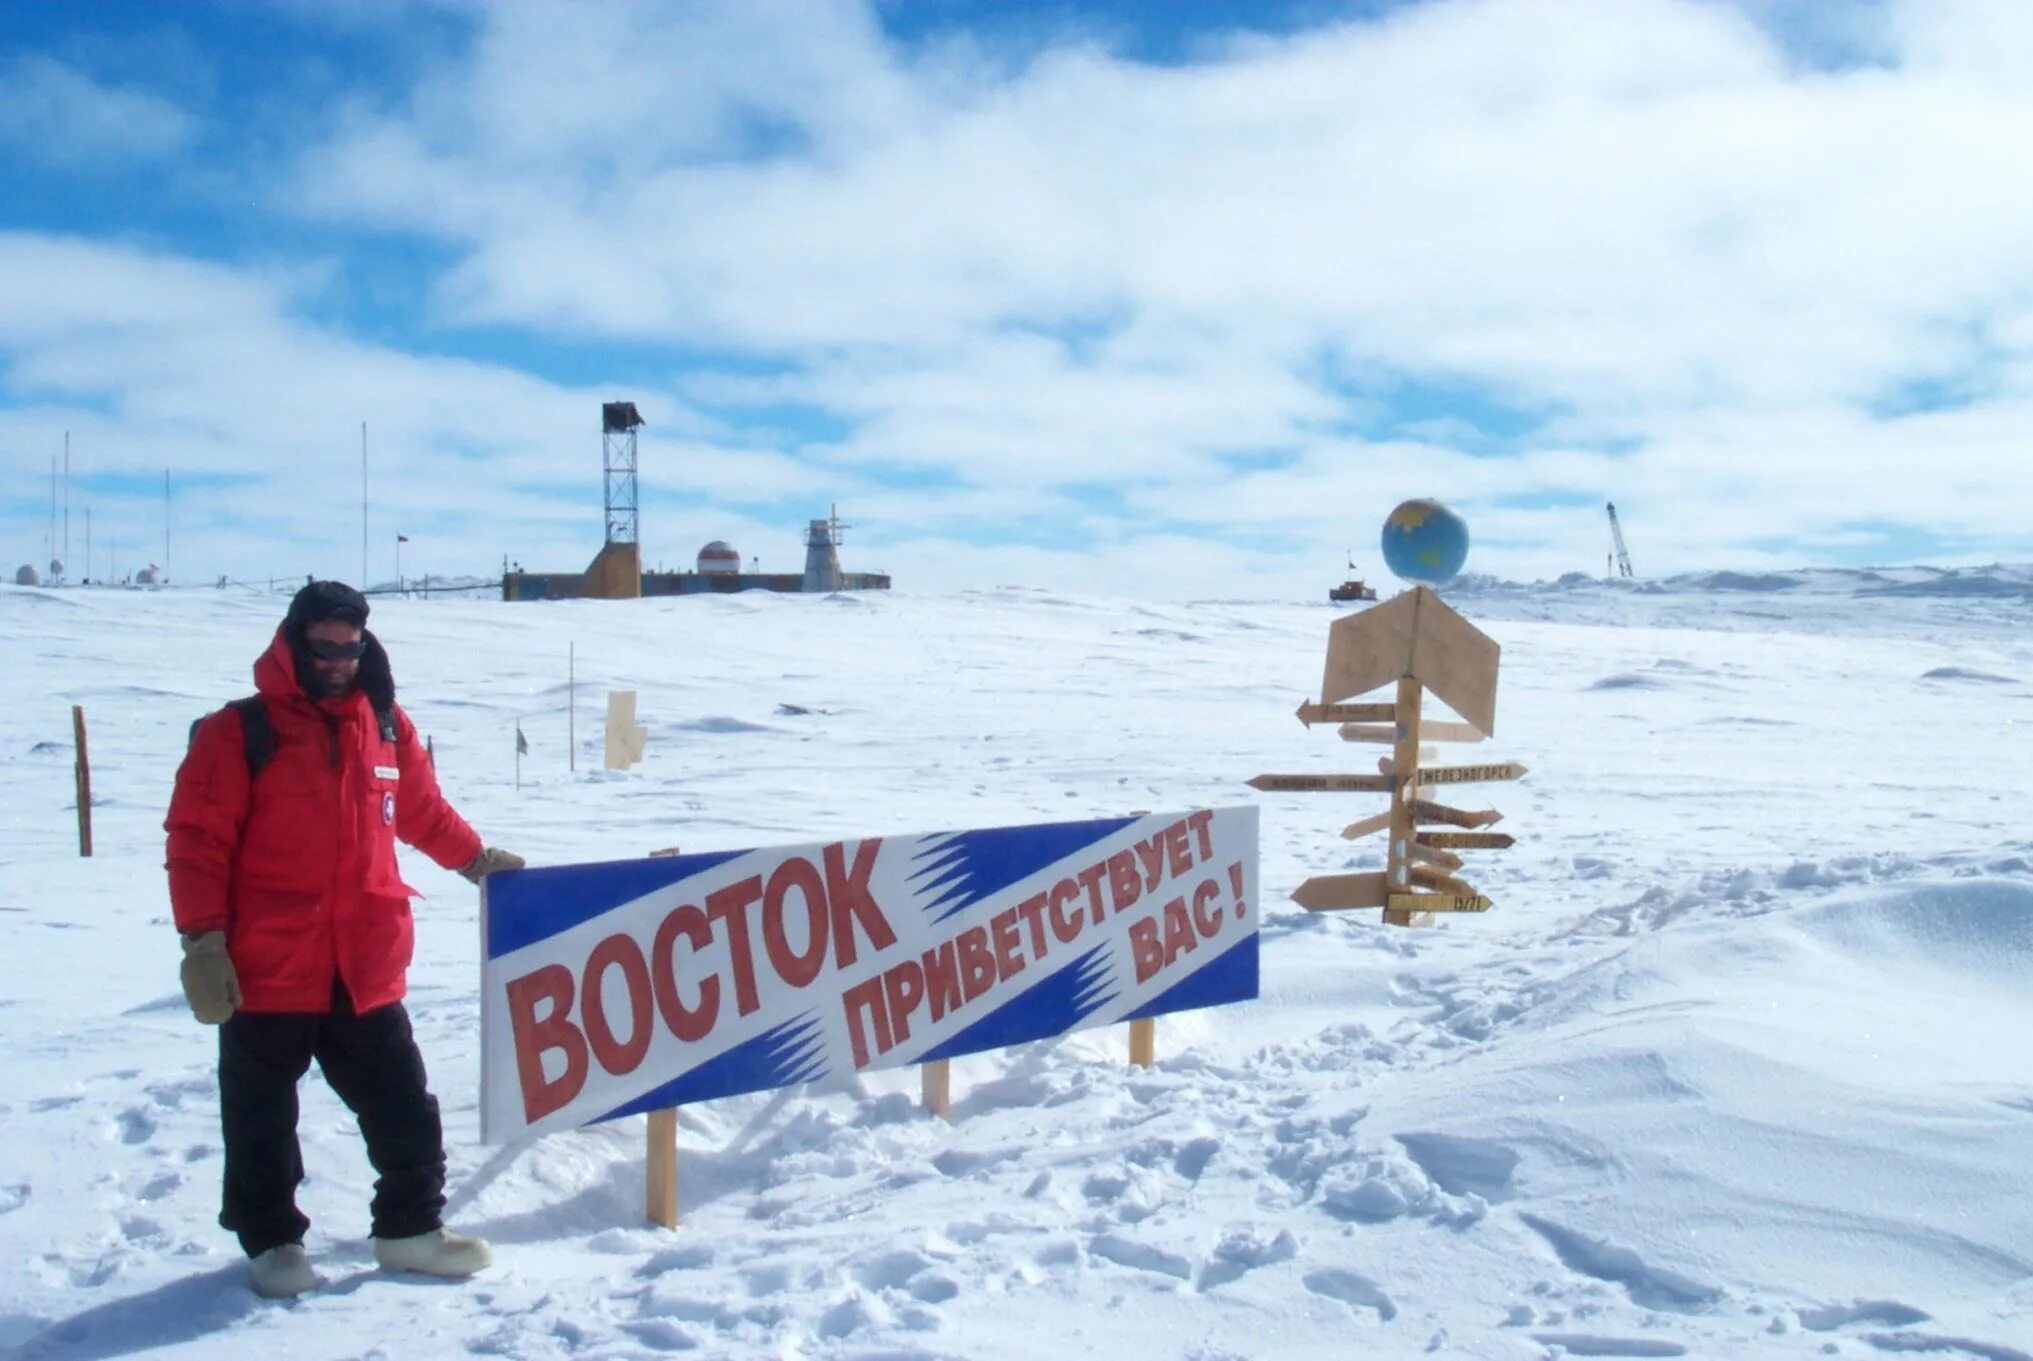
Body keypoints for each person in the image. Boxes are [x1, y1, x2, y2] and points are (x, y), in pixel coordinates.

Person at [165, 579, 526, 1299]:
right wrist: (202, 939)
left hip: (363, 961)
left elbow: (420, 810)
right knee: (261, 1116)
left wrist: (477, 861)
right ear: (295, 641)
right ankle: (272, 1242)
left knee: (403, 1106)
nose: (336, 658)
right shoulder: (239, 732)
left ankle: (409, 1229)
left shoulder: (385, 724)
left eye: (349, 645)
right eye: (323, 645)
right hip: (266, 966)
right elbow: (197, 839)